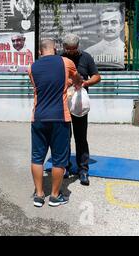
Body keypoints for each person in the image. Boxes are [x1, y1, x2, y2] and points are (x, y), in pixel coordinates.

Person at [28, 39, 82, 207]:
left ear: (39, 52)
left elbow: (41, 87)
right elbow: (77, 78)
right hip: (60, 117)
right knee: (59, 159)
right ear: (56, 49)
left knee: (37, 158)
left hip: (38, 117)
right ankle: (54, 195)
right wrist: (75, 84)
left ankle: (38, 195)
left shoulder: (32, 68)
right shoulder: (66, 62)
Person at [62, 33, 101, 186]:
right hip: (64, 102)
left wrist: (84, 83)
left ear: (78, 46)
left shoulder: (86, 57)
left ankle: (83, 169)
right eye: (68, 49)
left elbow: (97, 77)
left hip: (80, 105)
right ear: (64, 47)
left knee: (80, 137)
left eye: (74, 49)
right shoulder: (60, 58)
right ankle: (64, 166)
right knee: (64, 136)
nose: (71, 52)